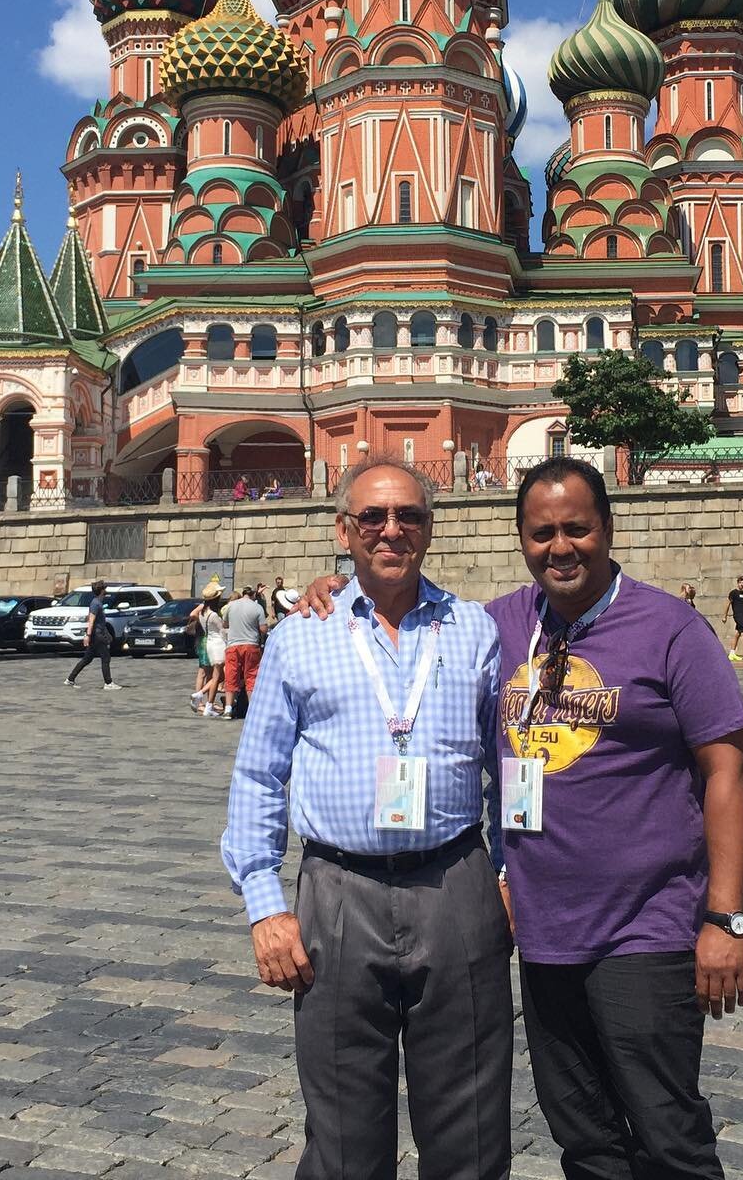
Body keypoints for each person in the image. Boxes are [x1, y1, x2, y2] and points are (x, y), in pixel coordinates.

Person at [301, 457, 743, 1180]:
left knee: (667, 1134)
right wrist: (332, 588)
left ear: (608, 528)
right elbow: (407, 619)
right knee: (586, 1136)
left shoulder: (672, 628)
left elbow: (726, 770)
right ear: (521, 539)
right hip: (541, 930)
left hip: (646, 926)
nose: (560, 546)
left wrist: (725, 918)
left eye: (577, 528)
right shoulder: (500, 625)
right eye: (542, 532)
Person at [222, 459, 510, 1180]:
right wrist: (264, 905)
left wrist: (509, 873)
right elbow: (259, 775)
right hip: (337, 890)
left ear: (430, 529)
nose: (392, 529)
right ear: (343, 531)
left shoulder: (474, 628)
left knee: (470, 1128)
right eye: (373, 517)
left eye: (408, 515)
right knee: (345, 1134)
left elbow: (508, 769)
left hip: (456, 883)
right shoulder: (300, 634)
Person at [65, 579, 123, 691]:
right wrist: (88, 635)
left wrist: (106, 633)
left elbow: (98, 621)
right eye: (104, 589)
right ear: (101, 591)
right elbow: (91, 621)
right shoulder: (95, 604)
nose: (106, 590)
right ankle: (108, 683)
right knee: (106, 657)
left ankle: (70, 679)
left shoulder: (98, 602)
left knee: (87, 659)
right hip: (97, 635)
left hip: (98, 634)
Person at [222, 584, 267, 720]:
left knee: (231, 675)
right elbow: (263, 628)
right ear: (253, 594)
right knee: (251, 676)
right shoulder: (257, 607)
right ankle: (252, 708)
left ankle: (228, 708)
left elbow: (225, 624)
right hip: (251, 644)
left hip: (233, 645)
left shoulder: (231, 606)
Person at [190, 581, 227, 716]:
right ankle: (202, 699)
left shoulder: (203, 613)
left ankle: (205, 700)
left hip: (210, 643)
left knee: (217, 675)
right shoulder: (213, 615)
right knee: (218, 676)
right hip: (218, 644)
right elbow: (222, 630)